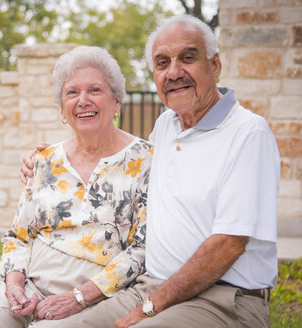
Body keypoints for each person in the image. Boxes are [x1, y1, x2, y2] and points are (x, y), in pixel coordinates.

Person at [20, 15, 280, 328]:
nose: (174, 72)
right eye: (162, 63)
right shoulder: (166, 126)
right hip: (152, 285)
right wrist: (54, 162)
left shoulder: (248, 133)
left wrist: (149, 308)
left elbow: (228, 244)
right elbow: (117, 163)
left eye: (187, 58)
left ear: (215, 65)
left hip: (222, 298)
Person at [0, 45, 153, 328]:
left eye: (95, 90)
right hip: (32, 283)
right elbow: (18, 236)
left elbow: (143, 248)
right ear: (63, 108)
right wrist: (14, 284)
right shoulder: (44, 161)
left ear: (117, 102)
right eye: (72, 92)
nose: (83, 100)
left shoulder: (145, 160)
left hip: (99, 292)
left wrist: (79, 296)